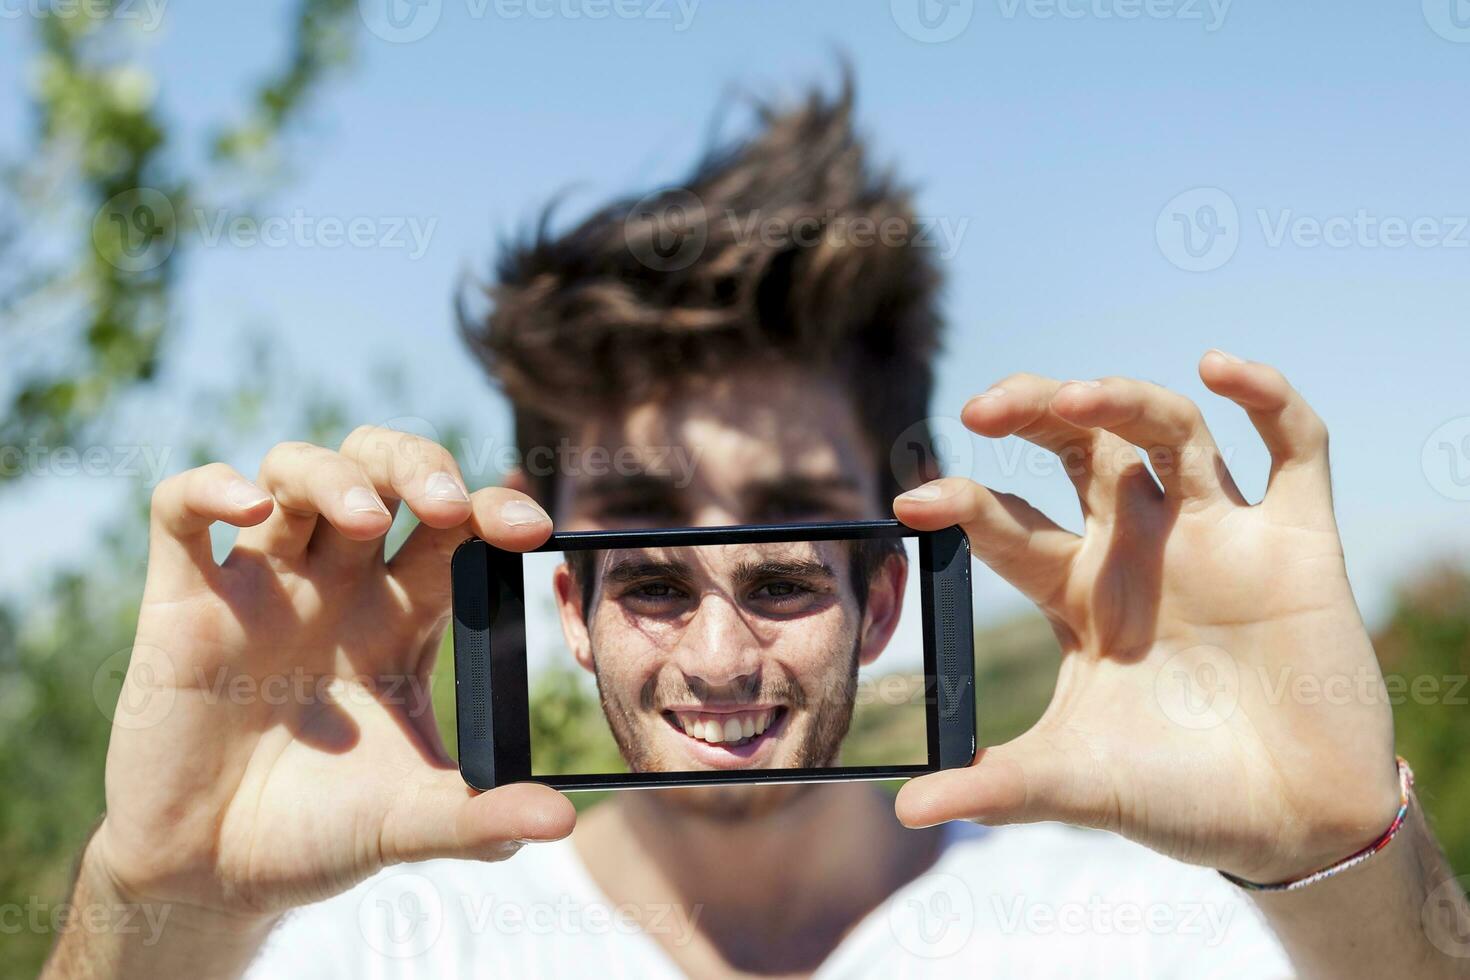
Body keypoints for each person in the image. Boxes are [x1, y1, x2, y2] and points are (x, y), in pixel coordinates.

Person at [44, 80, 1470, 978]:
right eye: (647, 570)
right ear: (562, 601)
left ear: (885, 597)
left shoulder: (1160, 936)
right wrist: (158, 906)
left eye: (786, 566)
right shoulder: (349, 946)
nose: (719, 652)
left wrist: (1341, 869)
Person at [551, 538, 908, 773]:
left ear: (877, 611)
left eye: (781, 588)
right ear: (578, 617)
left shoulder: (966, 869)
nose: (718, 666)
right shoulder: (500, 879)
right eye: (655, 590)